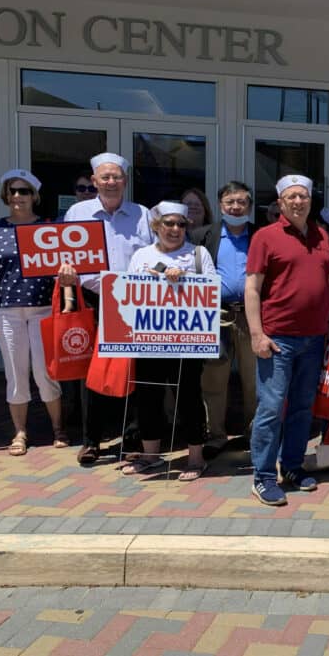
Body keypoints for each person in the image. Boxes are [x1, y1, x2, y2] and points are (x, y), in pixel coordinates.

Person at [246, 174, 329, 506]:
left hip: (313, 339)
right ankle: (264, 476)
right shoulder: (265, 237)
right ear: (280, 202)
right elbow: (252, 288)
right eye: (292, 197)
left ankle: (293, 467)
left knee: (302, 408)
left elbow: (328, 284)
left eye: (304, 196)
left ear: (311, 201)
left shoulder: (322, 236)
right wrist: (257, 333)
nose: (298, 202)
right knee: (271, 408)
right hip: (277, 339)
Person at [58, 152, 154, 465]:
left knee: (134, 371)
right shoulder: (77, 212)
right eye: (105, 177)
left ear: (125, 181)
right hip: (92, 299)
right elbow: (62, 253)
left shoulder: (143, 214)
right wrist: (66, 271)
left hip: (133, 302)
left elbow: (154, 255)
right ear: (95, 180)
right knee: (94, 372)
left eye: (117, 177)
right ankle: (91, 441)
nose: (111, 182)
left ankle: (132, 438)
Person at [122, 201, 216, 480]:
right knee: (148, 396)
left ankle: (196, 458)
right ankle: (151, 455)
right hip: (149, 339)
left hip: (187, 339)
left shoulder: (198, 254)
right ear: (156, 226)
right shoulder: (141, 255)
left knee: (188, 396)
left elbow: (212, 288)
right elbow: (128, 290)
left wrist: (184, 278)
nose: (175, 229)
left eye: (181, 224)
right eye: (169, 224)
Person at [0, 169, 65, 455]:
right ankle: (20, 432)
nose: (18, 196)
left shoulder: (48, 227)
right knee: (15, 374)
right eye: (13, 191)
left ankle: (57, 428)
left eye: (24, 191)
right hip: (6, 310)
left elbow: (60, 269)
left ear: (35, 196)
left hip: (42, 308)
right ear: (6, 195)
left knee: (45, 372)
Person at [191, 181, 258, 457]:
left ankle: (255, 434)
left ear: (249, 206)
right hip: (215, 316)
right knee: (214, 378)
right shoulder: (201, 235)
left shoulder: (261, 236)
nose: (236, 206)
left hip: (251, 316)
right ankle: (216, 435)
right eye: (230, 202)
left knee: (254, 379)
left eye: (241, 201)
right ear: (220, 205)